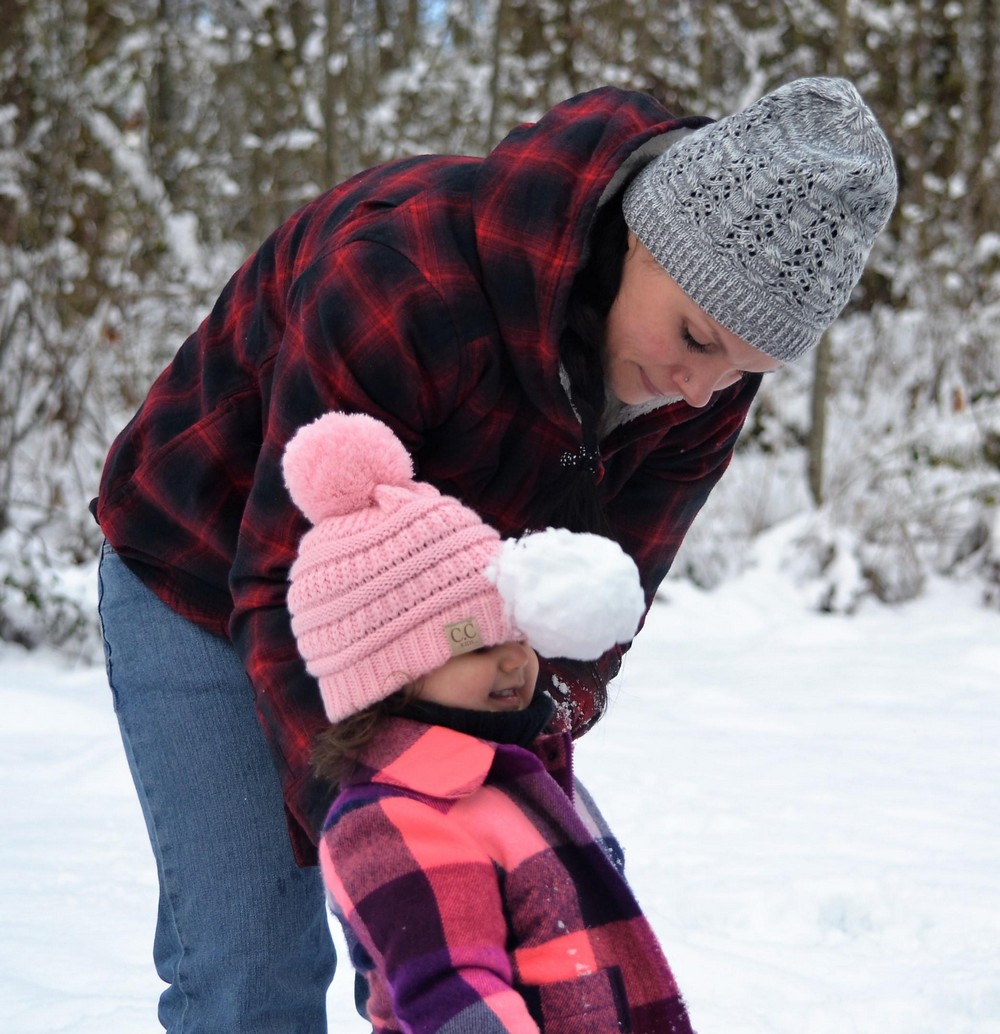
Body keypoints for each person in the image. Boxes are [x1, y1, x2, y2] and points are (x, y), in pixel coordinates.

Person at [93, 75, 897, 1029]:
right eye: (694, 338)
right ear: (643, 233)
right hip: (206, 567)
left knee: (523, 928)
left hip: (456, 625)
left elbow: (595, 608)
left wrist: (516, 778)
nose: (697, 388)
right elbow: (277, 580)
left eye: (741, 371)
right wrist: (387, 837)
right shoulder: (404, 275)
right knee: (254, 974)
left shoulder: (704, 382)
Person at [282, 409, 693, 1033]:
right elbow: (453, 992)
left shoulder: (532, 774)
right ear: (388, 677)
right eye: (475, 645)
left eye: (518, 633)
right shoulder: (390, 821)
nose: (514, 659)